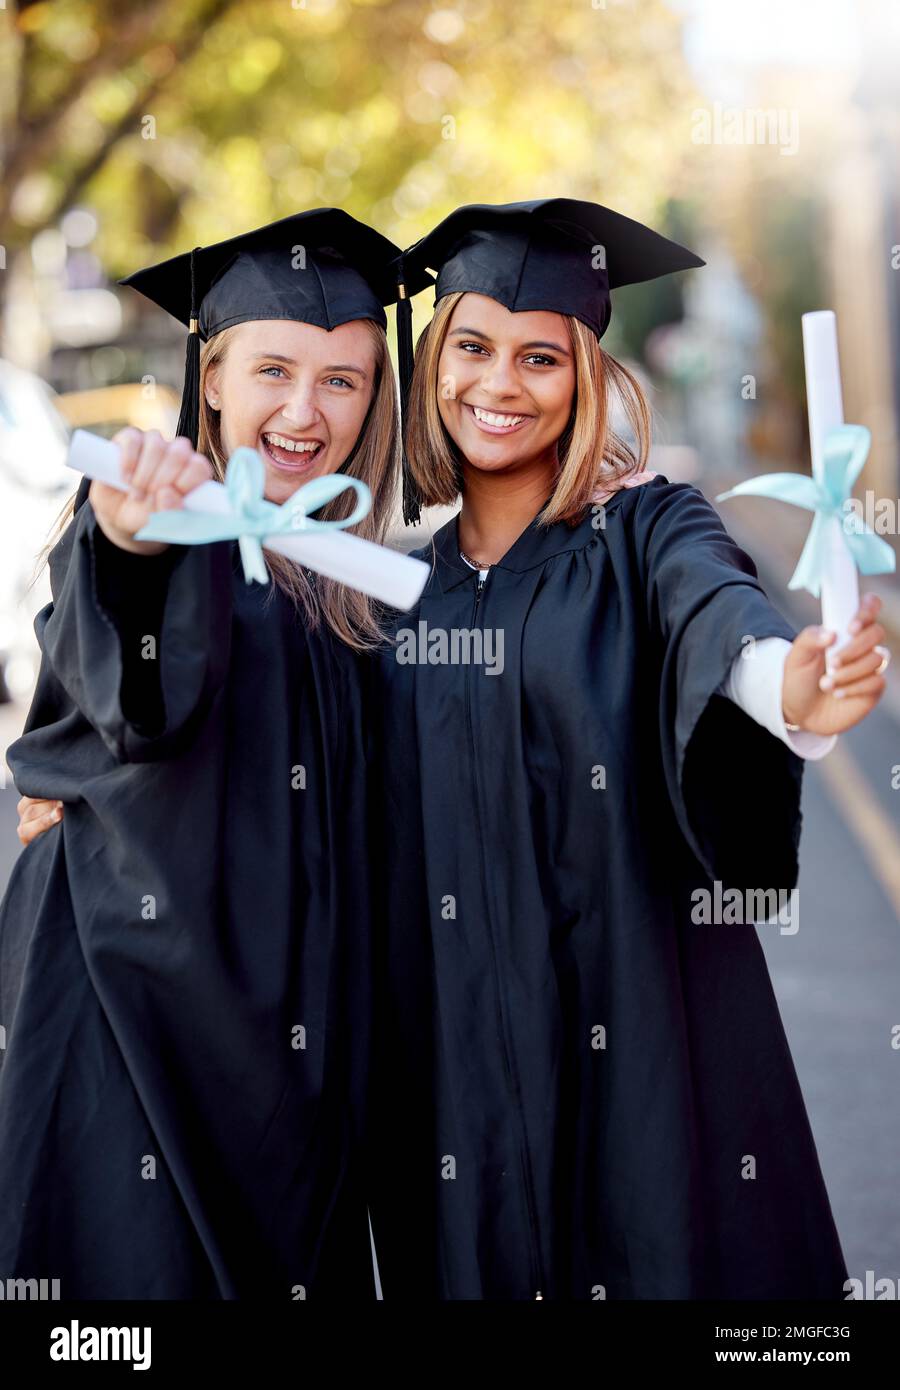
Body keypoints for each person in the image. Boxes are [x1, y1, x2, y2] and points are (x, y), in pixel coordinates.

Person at [365, 199, 890, 1300]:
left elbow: (717, 613)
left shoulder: (646, 529)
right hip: (456, 1075)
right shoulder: (394, 602)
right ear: (432, 360)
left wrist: (783, 683)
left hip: (647, 1031)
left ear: (588, 375)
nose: (499, 384)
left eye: (540, 356)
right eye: (471, 346)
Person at [0, 208, 429, 1299]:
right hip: (130, 1030)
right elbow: (136, 697)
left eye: (343, 379)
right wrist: (139, 533)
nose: (304, 410)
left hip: (293, 1053)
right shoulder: (165, 530)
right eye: (273, 370)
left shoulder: (355, 587)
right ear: (214, 382)